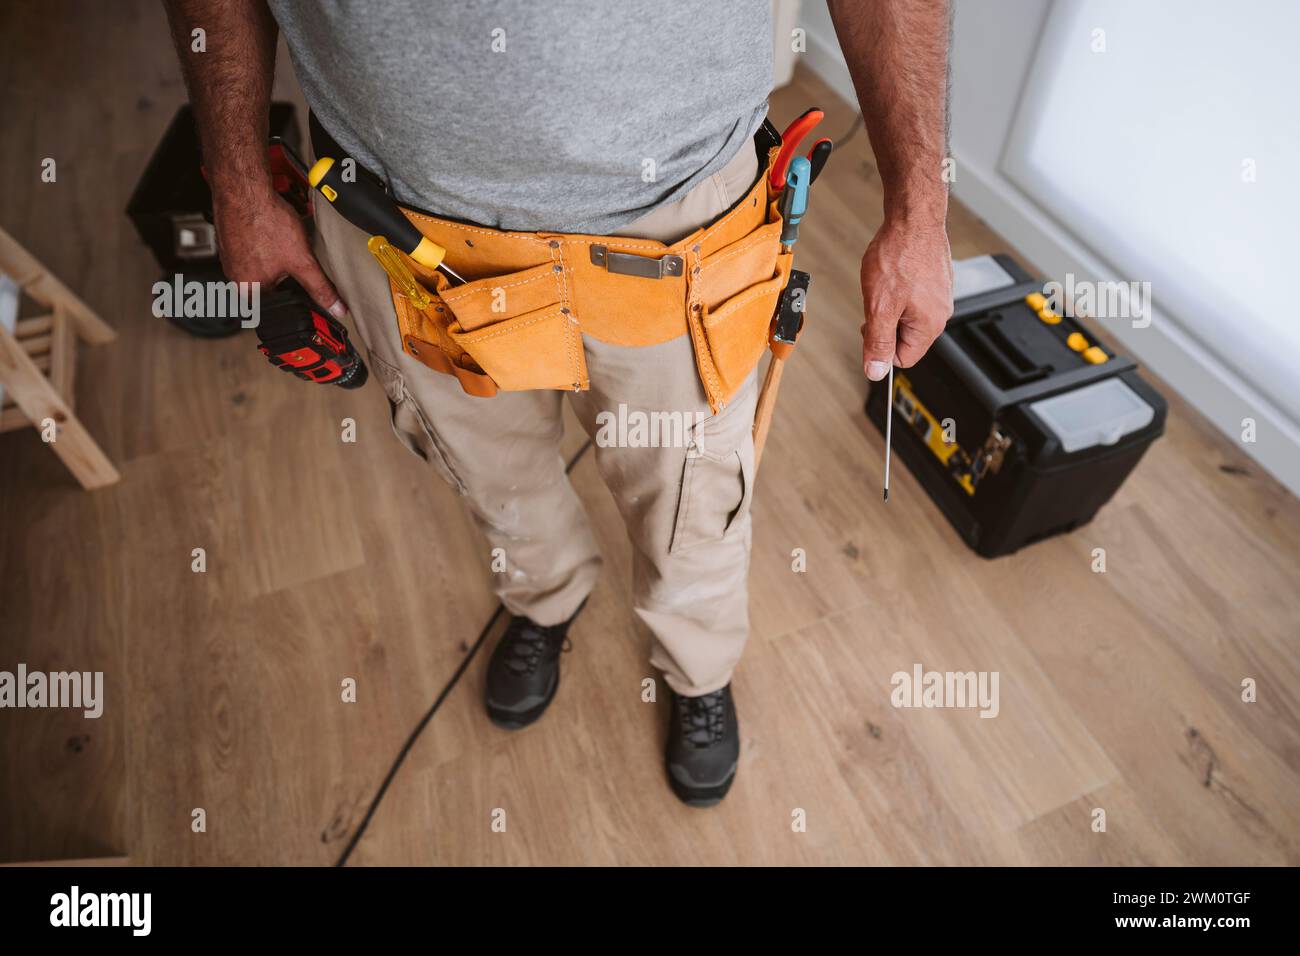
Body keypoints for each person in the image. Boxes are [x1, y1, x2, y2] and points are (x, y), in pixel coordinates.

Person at [163, 0, 954, 808]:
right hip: (392, 217)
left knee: (692, 491)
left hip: (681, 222)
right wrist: (235, 181)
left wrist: (919, 211)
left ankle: (696, 668)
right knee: (487, 468)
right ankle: (544, 597)